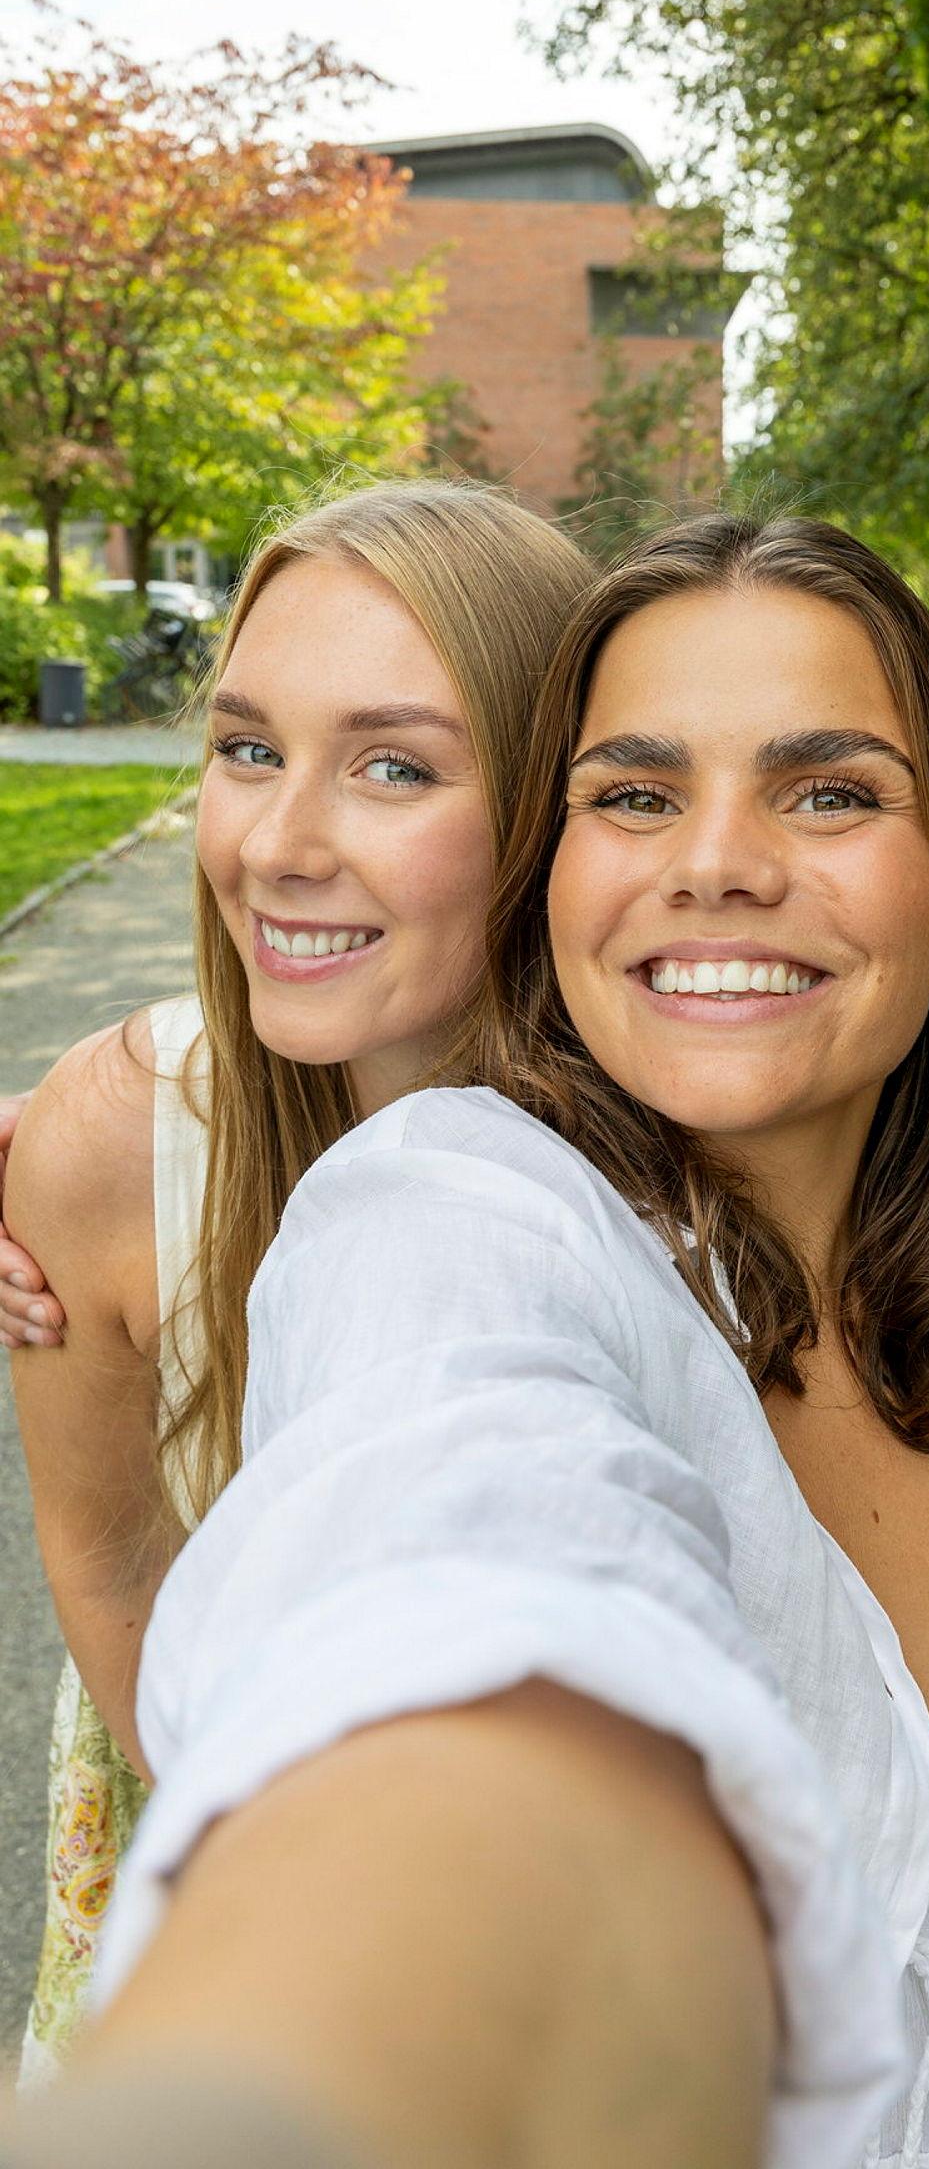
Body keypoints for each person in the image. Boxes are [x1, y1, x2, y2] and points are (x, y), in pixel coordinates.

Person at [22, 516, 929, 2169]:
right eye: (637, 794)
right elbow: (454, 1569)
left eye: (831, 790)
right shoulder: (444, 1216)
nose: (716, 859)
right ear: (553, 888)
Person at [1, 476, 595, 2075]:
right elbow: (112, 1564)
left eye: (393, 766)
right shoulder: (125, 1147)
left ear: (556, 802)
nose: (274, 844)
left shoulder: (684, 1157)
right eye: (247, 748)